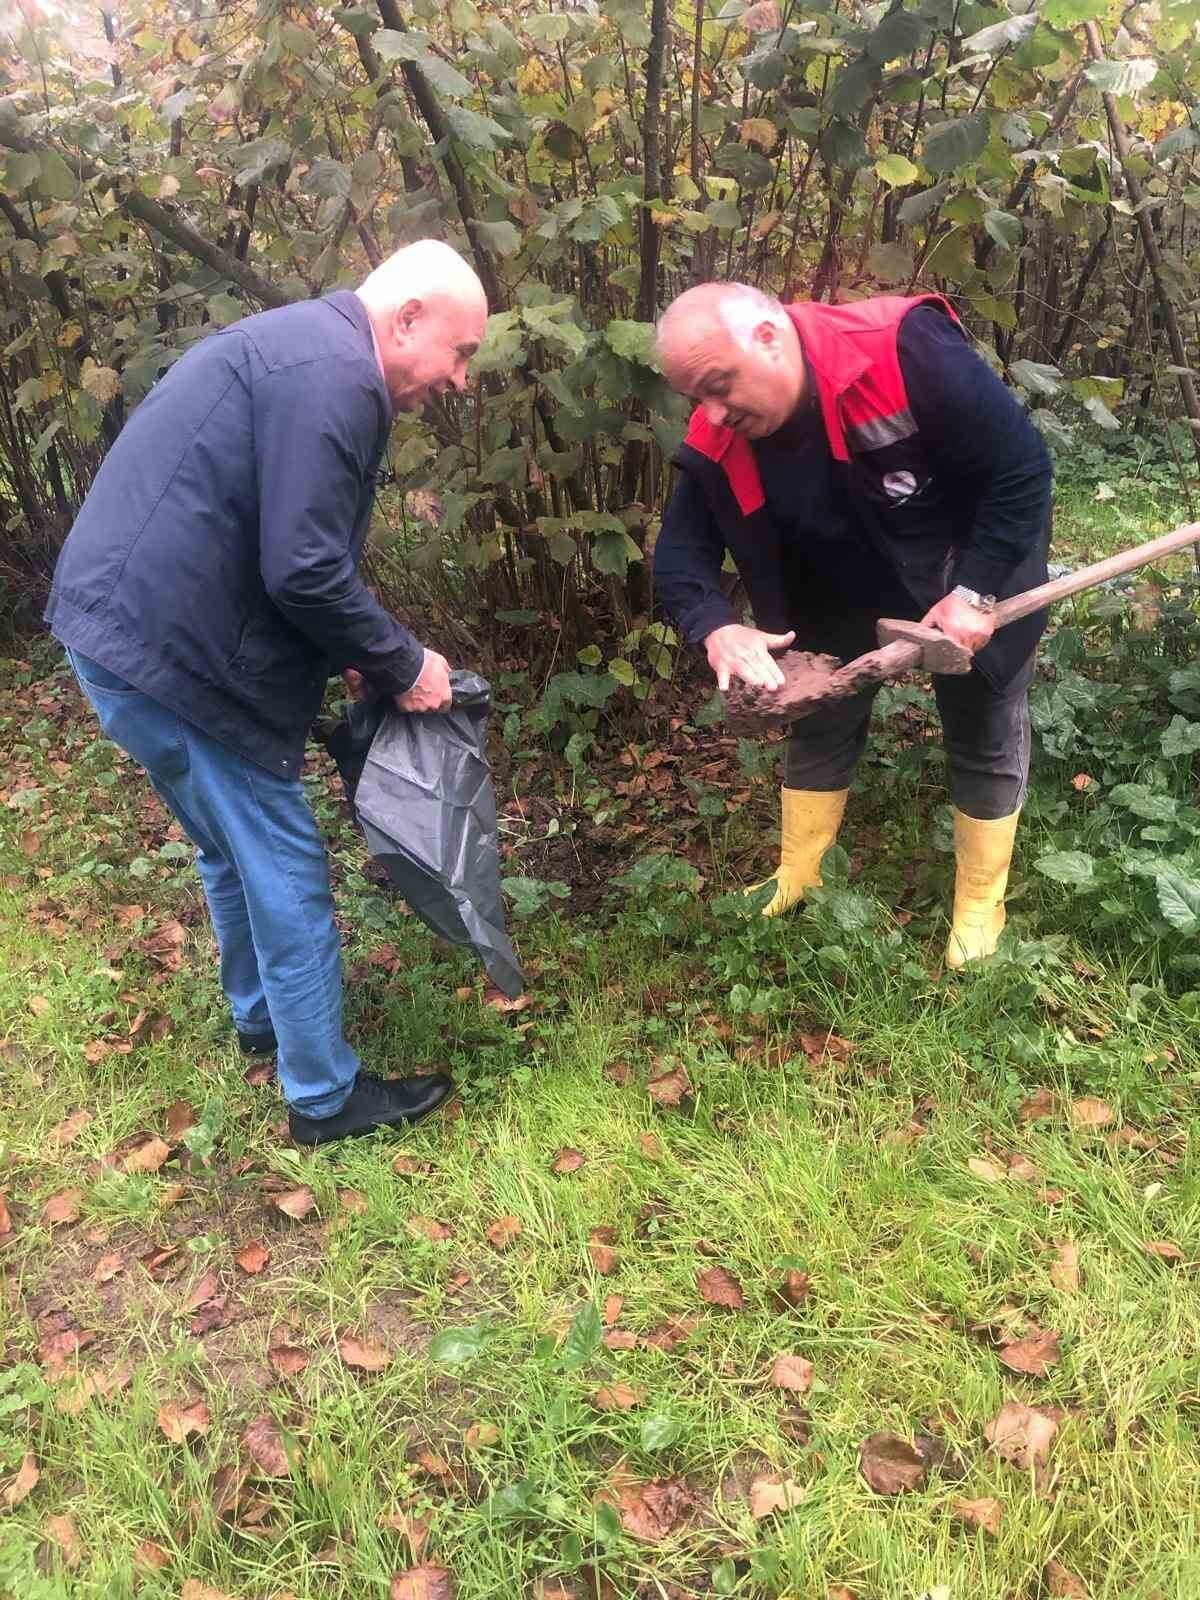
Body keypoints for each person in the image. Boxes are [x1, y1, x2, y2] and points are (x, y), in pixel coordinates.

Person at [45, 239, 488, 1143]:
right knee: (281, 862)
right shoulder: (338, 378)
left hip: (118, 638)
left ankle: (260, 1018)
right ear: (406, 320)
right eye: (461, 352)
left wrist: (357, 651)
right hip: (172, 654)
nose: (461, 379)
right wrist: (406, 661)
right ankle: (323, 1095)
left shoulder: (302, 350)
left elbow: (270, 545)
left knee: (227, 848)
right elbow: (303, 569)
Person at [652, 282, 1053, 967]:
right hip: (836, 571)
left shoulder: (901, 352)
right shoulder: (718, 429)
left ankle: (980, 906)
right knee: (819, 712)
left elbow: (1020, 471)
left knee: (981, 706)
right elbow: (680, 553)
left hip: (961, 559)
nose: (711, 414)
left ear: (770, 338)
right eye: (697, 397)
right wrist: (716, 624)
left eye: (719, 386)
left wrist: (973, 589)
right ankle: (800, 873)